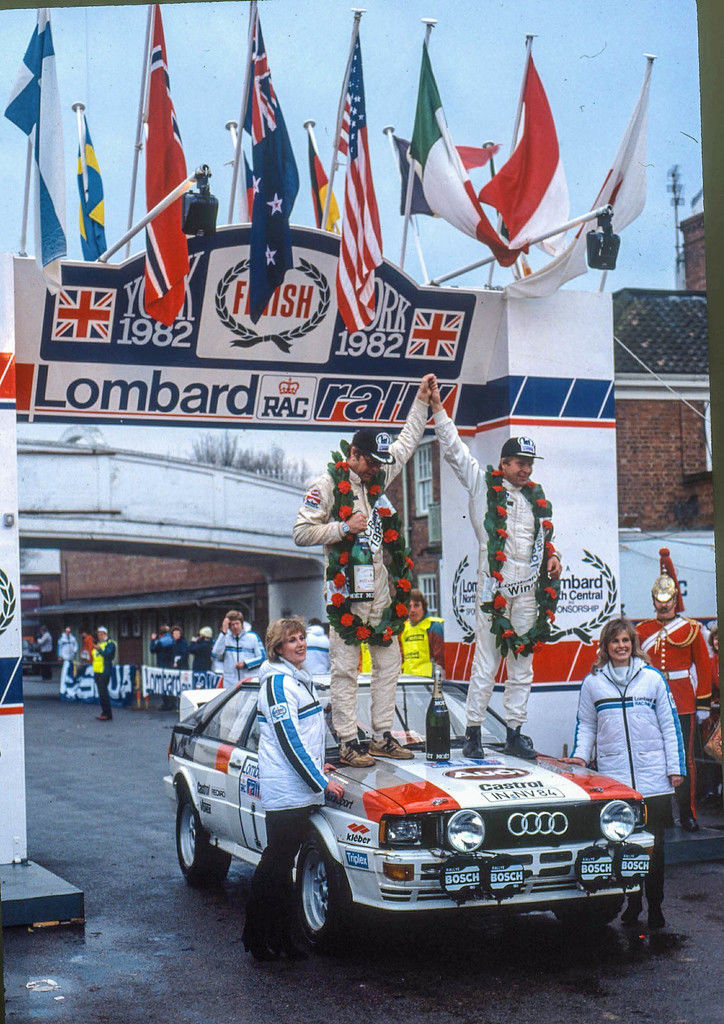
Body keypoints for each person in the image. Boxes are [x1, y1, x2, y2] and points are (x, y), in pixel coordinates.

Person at [293, 374, 435, 767]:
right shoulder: (326, 485)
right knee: (345, 669)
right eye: (370, 462)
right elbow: (300, 532)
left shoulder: (378, 477)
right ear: (353, 454)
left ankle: (381, 736)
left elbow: (406, 445)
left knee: (389, 663)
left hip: (380, 590)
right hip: (344, 594)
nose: (375, 469)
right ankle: (347, 741)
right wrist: (341, 528)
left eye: (378, 463)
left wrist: (421, 402)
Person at [430, 383, 562, 760]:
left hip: (528, 592)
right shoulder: (483, 487)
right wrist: (438, 410)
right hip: (494, 591)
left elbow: (542, 543)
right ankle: (473, 731)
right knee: (486, 662)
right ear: (504, 464)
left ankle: (515, 732)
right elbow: (456, 451)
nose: (525, 469)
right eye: (519, 462)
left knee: (522, 665)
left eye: (529, 464)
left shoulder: (536, 501)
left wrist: (554, 557)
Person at [564, 618, 685, 929]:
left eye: (626, 641)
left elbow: (670, 725)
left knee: (654, 849)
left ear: (633, 644)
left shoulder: (652, 678)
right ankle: (633, 903)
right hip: (616, 783)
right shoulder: (593, 682)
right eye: (615, 641)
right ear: (606, 646)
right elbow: (586, 725)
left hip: (653, 782)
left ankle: (655, 906)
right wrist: (580, 757)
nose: (621, 646)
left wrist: (675, 768)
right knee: (622, 847)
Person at [242, 618, 344, 961]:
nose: (300, 644)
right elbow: (289, 742)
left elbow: (306, 735)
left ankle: (280, 939)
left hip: (297, 787)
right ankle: (258, 939)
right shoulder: (277, 684)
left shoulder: (297, 679)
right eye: (291, 640)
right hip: (286, 791)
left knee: (282, 866)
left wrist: (319, 765)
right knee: (276, 865)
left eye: (302, 637)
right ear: (277, 648)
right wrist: (321, 782)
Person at [635, 548, 711, 831]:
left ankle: (688, 813)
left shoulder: (691, 629)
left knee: (685, 760)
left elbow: (703, 667)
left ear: (676, 600)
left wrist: (702, 704)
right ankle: (661, 814)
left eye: (668, 600)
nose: (664, 605)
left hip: (683, 702)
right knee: (655, 758)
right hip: (652, 701)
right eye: (659, 599)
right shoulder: (643, 631)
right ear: (653, 600)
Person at [212, 610, 265, 687]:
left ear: (242, 624)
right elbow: (215, 653)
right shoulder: (224, 638)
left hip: (249, 681)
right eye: (232, 624)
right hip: (230, 682)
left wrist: (245, 664)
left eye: (237, 623)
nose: (235, 627)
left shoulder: (253, 637)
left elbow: (262, 658)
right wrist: (223, 632)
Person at [399, 589, 444, 677]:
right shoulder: (403, 628)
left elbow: (441, 660)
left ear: (424, 607)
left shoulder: (433, 626)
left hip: (428, 679)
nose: (412, 610)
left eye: (416, 605)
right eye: (409, 606)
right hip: (407, 679)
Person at [92, 626, 117, 722]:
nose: (99, 636)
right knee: (101, 692)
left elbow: (108, 655)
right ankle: (104, 712)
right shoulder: (99, 644)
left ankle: (108, 713)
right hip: (97, 670)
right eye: (98, 634)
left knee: (103, 692)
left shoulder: (110, 644)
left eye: (101, 634)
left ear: (105, 634)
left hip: (105, 670)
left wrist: (99, 649)